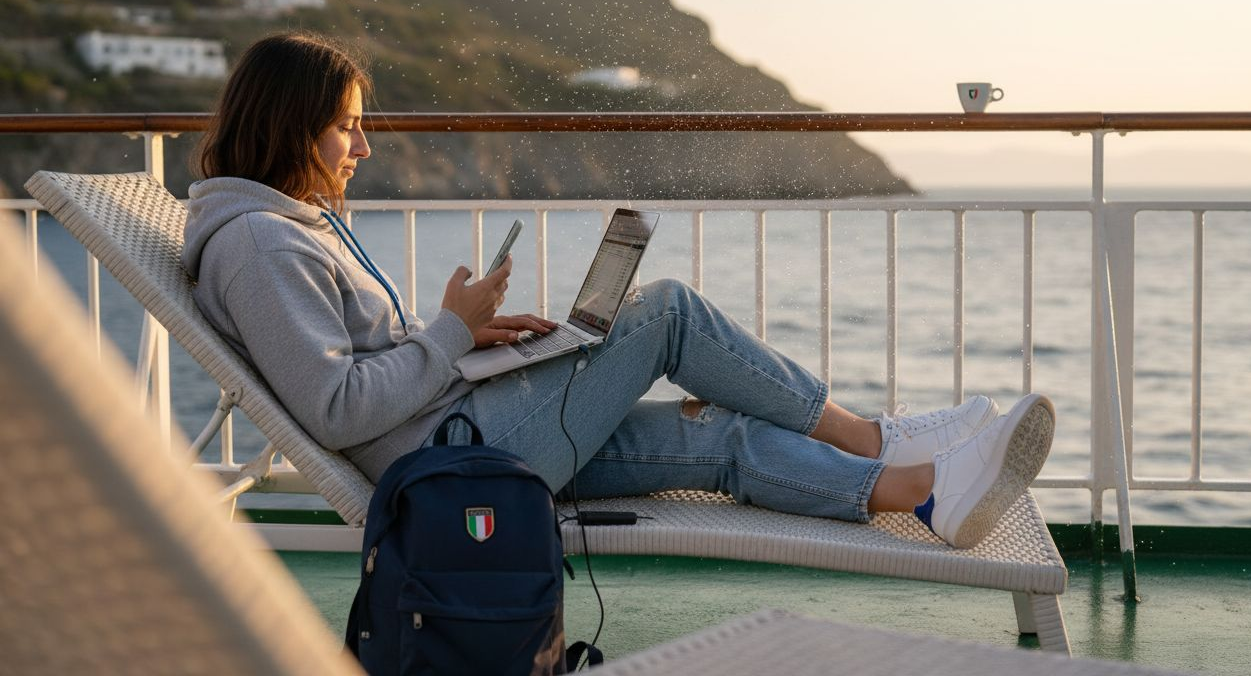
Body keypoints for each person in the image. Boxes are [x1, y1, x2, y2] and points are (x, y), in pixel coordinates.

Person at [182, 33, 1054, 549]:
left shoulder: (284, 226)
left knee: (716, 433)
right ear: (290, 126)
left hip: (469, 433)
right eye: (346, 128)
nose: (363, 148)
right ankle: (876, 437)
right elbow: (336, 408)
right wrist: (447, 333)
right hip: (459, 459)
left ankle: (924, 493)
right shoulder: (260, 245)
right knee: (667, 311)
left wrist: (470, 340)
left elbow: (359, 370)